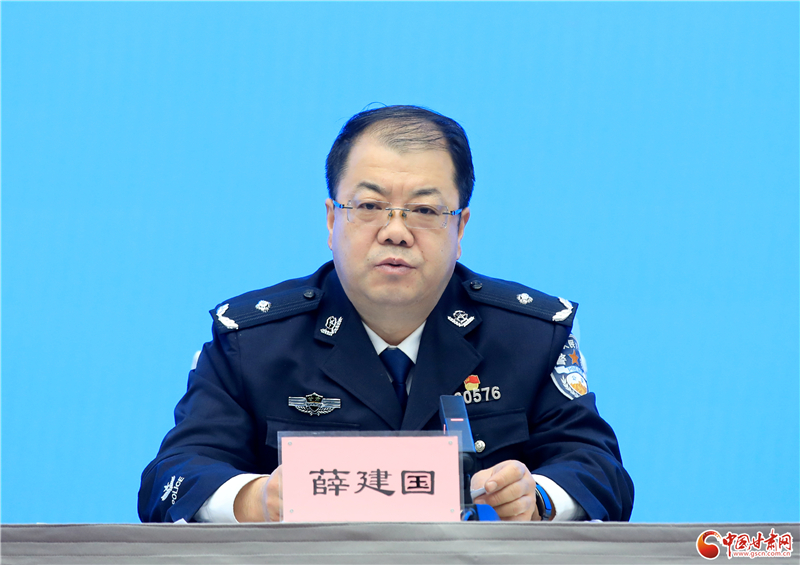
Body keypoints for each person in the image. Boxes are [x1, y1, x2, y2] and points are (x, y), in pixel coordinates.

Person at [138, 105, 634, 524]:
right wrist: (255, 499)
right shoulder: (252, 340)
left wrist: (538, 498)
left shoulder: (529, 336)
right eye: (370, 206)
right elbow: (171, 478)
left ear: (460, 227)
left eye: (424, 210)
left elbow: (601, 471)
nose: (395, 231)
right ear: (332, 219)